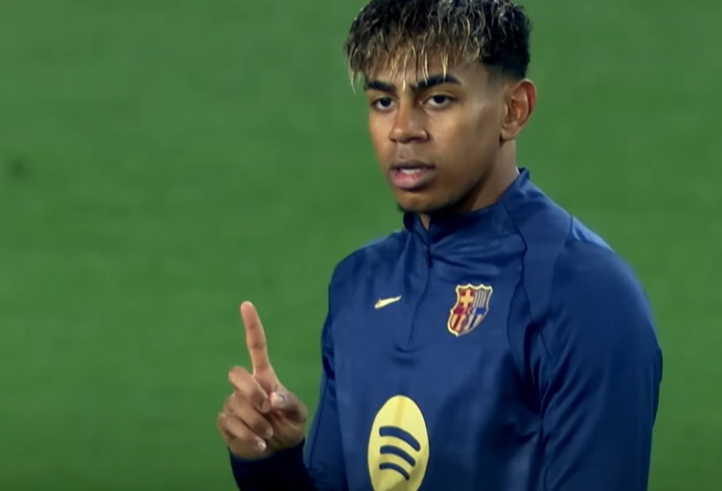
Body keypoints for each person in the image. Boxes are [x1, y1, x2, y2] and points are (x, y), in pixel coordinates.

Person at [216, 0, 663, 489]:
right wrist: (272, 462)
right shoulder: (358, 285)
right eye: (383, 101)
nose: (403, 129)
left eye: (438, 99)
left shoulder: (583, 295)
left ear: (513, 110)